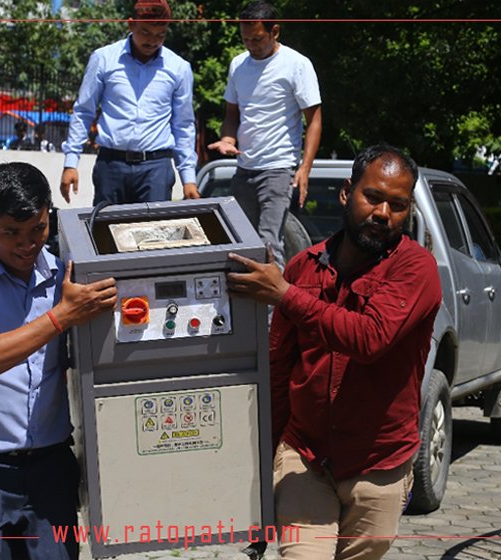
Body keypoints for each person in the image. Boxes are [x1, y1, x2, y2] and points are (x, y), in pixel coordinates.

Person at [226, 145, 442, 560]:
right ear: (347, 193)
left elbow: (369, 338)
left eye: (397, 206)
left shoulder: (416, 270)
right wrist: (257, 489)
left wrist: (285, 296)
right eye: (373, 197)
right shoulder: (303, 268)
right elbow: (277, 372)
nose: (382, 213)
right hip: (305, 456)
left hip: (380, 464)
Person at [0, 162, 117, 560]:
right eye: (11, 233)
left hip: (51, 463)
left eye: (38, 230)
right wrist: (60, 317)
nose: (27, 245)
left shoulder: (64, 272)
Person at [208, 0, 322, 269]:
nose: (251, 45)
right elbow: (232, 114)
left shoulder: (296, 64)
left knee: (268, 244)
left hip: (278, 167)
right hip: (245, 167)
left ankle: (273, 312)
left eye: (257, 39)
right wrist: (228, 139)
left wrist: (304, 168)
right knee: (240, 244)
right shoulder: (238, 65)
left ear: (275, 32)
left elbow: (314, 119)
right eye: (245, 39)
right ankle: (248, 310)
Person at [59, 0, 199, 204]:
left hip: (155, 170)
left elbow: (183, 125)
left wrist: (189, 179)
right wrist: (71, 162)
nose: (152, 41)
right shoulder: (104, 59)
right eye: (145, 32)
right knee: (106, 232)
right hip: (111, 167)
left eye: (160, 35)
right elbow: (84, 111)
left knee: (154, 233)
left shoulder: (179, 68)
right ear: (131, 24)